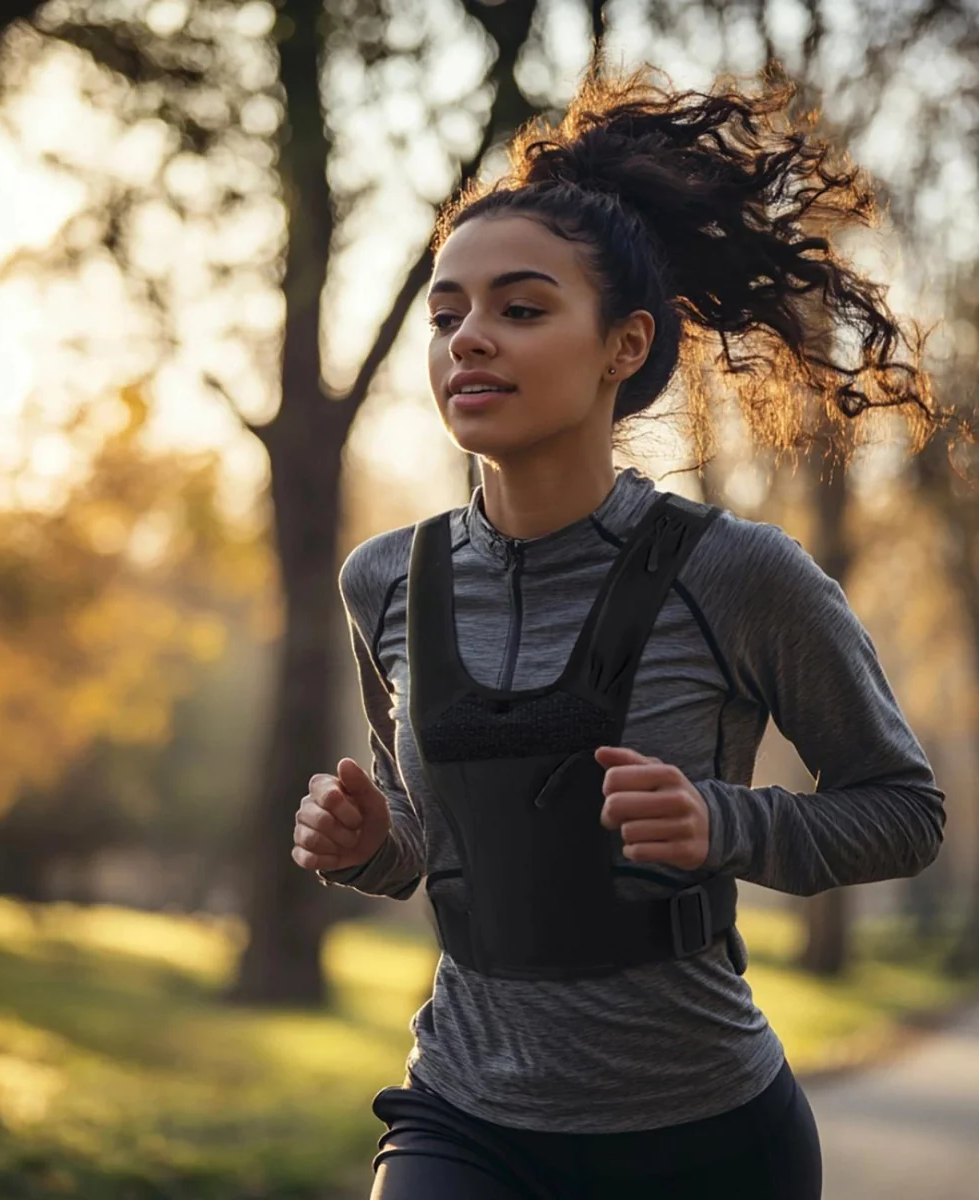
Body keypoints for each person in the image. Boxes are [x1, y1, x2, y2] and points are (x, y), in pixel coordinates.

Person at [291, 67, 946, 1200]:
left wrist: (722, 825)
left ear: (623, 345)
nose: (468, 341)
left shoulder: (739, 575)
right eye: (446, 315)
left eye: (521, 309)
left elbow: (904, 812)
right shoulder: (385, 579)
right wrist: (367, 848)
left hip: (703, 1134)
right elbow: (429, 844)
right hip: (465, 1112)